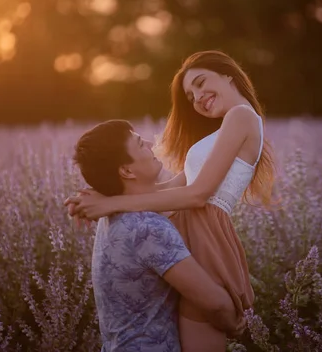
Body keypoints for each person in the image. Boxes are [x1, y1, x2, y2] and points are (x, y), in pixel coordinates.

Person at [66, 50, 276, 351]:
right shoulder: (223, 130)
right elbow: (171, 188)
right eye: (191, 96)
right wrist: (105, 194)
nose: (199, 97)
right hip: (190, 226)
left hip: (205, 232)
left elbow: (198, 194)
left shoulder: (242, 116)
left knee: (204, 325)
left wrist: (112, 205)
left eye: (202, 83)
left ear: (229, 75)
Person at [71, 119, 245, 351]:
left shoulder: (112, 214)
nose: (150, 142)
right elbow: (215, 303)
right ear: (126, 170)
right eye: (139, 143)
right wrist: (236, 322)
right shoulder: (147, 228)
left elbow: (188, 182)